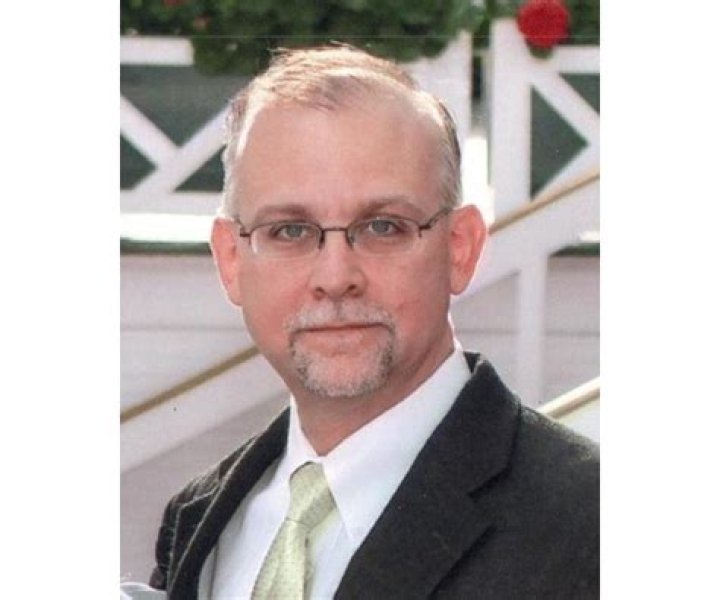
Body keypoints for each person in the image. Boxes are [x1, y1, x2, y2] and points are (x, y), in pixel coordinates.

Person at [148, 45, 599, 599]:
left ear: (460, 248)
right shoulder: (199, 520)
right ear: (230, 260)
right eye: (289, 231)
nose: (336, 277)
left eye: (383, 226)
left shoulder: (592, 526)